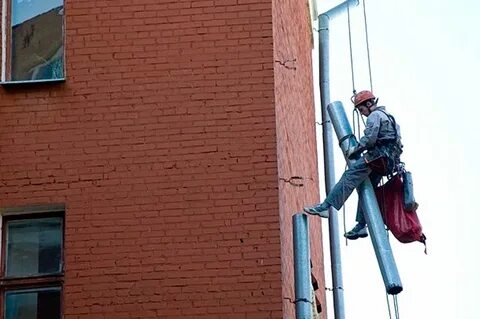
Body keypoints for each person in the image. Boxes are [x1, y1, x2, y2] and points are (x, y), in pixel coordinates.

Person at [304, 90, 403, 240]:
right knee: (366, 187)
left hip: (377, 158)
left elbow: (369, 139)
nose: (362, 113)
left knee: (349, 177)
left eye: (362, 109)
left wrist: (354, 150)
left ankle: (326, 207)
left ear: (369, 104)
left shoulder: (374, 116)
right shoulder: (390, 118)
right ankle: (361, 226)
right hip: (388, 163)